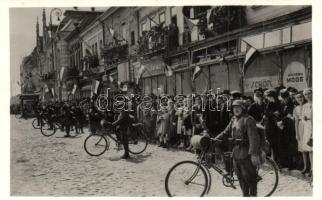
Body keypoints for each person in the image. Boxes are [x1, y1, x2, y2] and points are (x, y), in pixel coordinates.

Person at [214, 100, 261, 196]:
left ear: (243, 108)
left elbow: (253, 138)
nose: (236, 109)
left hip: (246, 153)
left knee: (250, 180)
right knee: (241, 179)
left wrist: (253, 154)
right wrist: (215, 139)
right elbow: (225, 132)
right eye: (234, 107)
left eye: (238, 107)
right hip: (236, 153)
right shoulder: (233, 119)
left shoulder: (248, 119)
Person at [293, 92, 309, 173]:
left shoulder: (308, 106)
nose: (300, 99)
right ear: (296, 99)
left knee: (309, 146)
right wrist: (297, 133)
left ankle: (312, 167)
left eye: (301, 97)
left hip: (308, 125)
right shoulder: (296, 109)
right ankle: (306, 166)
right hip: (300, 127)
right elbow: (296, 121)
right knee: (302, 147)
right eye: (298, 97)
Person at [302, 88, 313, 177]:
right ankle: (312, 168)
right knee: (310, 149)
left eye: (309, 93)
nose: (308, 95)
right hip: (308, 128)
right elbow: (302, 118)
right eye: (306, 94)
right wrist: (305, 119)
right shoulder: (305, 106)